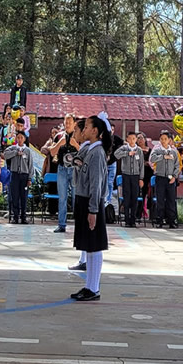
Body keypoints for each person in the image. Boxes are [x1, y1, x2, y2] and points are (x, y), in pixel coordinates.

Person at [70, 113, 112, 302]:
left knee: (94, 246)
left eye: (86, 127)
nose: (83, 130)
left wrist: (93, 209)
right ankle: (89, 286)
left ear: (95, 131)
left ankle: (93, 287)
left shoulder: (96, 153)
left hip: (90, 202)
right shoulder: (90, 150)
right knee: (89, 245)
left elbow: (97, 183)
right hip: (84, 200)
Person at [50, 114, 79, 233]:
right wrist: (59, 144)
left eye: (69, 122)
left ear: (74, 124)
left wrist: (76, 145)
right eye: (65, 122)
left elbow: (85, 153)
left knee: (76, 198)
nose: (67, 125)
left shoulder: (79, 136)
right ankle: (61, 224)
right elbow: (51, 153)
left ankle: (79, 224)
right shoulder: (59, 136)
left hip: (75, 170)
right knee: (62, 198)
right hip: (62, 168)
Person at [149, 131, 181, 229]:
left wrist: (174, 176)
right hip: (160, 177)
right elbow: (152, 159)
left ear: (169, 140)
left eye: (165, 139)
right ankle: (159, 219)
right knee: (160, 200)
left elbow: (177, 165)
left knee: (171, 200)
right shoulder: (157, 150)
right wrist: (162, 157)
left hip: (170, 178)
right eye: (162, 139)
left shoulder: (174, 151)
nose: (163, 141)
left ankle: (172, 220)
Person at [3, 131, 34, 224]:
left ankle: (23, 217)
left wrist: (29, 178)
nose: (20, 139)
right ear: (16, 139)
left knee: (23, 196)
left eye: (22, 138)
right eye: (18, 137)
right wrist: (16, 153)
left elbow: (30, 165)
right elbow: (5, 155)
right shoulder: (12, 148)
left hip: (24, 176)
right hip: (15, 174)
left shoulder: (27, 150)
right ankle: (15, 217)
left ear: (24, 139)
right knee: (14, 196)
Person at [113, 131, 143, 227]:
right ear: (127, 139)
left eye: (134, 139)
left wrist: (141, 178)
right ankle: (126, 219)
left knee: (134, 197)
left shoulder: (139, 150)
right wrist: (127, 153)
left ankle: (133, 220)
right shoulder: (124, 148)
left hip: (135, 176)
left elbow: (141, 165)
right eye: (130, 139)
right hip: (126, 175)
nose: (132, 141)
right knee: (127, 197)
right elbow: (116, 154)